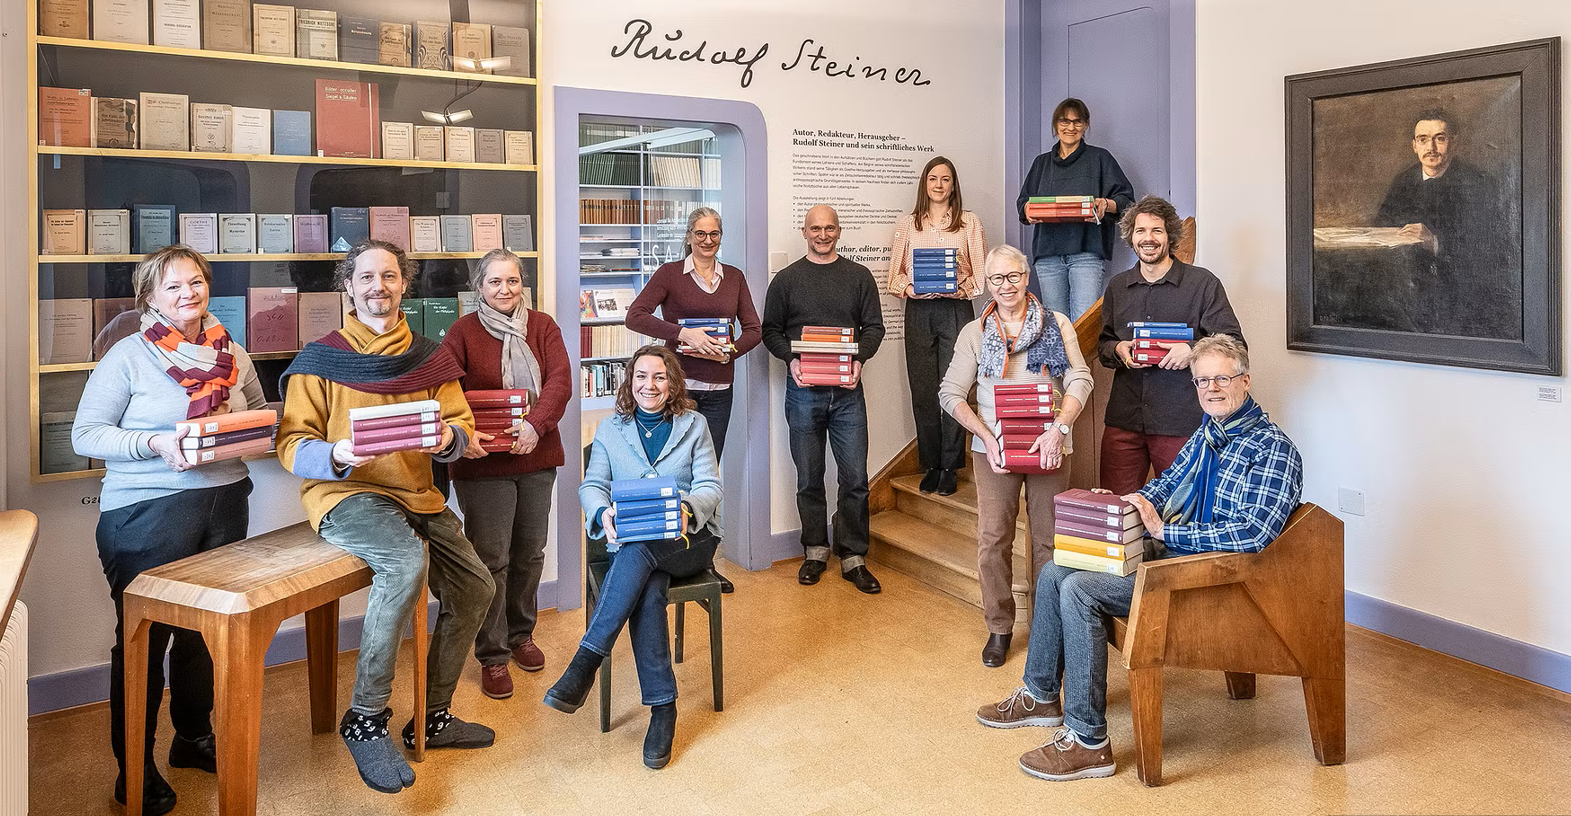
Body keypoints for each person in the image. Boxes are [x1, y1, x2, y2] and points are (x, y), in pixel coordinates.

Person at [975, 334, 1303, 782]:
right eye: (1202, 380)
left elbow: (1252, 534)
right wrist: (1126, 503)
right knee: (1056, 569)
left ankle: (1088, 741)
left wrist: (1167, 531)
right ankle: (1041, 695)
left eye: (1222, 379)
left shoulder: (1273, 449)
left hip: (1214, 582)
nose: (1211, 389)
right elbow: (1165, 487)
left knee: (1080, 589)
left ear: (1244, 381)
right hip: (1173, 559)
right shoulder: (1209, 433)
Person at [276, 240, 496, 794]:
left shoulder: (428, 356)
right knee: (402, 564)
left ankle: (433, 716)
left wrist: (448, 438)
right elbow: (291, 442)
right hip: (346, 493)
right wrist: (336, 453)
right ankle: (365, 717)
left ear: (404, 284)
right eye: (367, 277)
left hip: (416, 492)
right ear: (348, 287)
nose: (380, 286)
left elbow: (461, 424)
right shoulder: (320, 358)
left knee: (476, 587)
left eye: (391, 276)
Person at [71, 245, 265, 816]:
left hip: (225, 503)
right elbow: (86, 434)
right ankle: (134, 769)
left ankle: (193, 737)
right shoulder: (129, 355)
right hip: (145, 513)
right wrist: (154, 442)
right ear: (150, 297)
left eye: (196, 282)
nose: (188, 293)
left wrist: (254, 429)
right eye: (174, 285)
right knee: (145, 639)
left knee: (204, 632)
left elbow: (259, 412)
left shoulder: (233, 352)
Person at [542, 345, 722, 771]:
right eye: (641, 376)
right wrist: (602, 512)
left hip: (688, 540)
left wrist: (687, 508)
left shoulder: (694, 424)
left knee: (640, 552)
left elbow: (710, 485)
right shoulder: (611, 428)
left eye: (659, 377)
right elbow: (593, 485)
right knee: (648, 586)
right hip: (636, 544)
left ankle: (587, 660)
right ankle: (663, 709)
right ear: (630, 380)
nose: (649, 385)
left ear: (672, 383)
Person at [938, 245, 1093, 668]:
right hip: (995, 450)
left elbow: (1080, 378)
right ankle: (999, 626)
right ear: (987, 284)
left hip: (1050, 445)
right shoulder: (974, 332)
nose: (1006, 286)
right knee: (993, 540)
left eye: (1013, 276)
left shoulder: (1057, 324)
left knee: (1048, 542)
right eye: (996, 279)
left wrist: (1059, 429)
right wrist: (986, 438)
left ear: (1026, 277)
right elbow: (950, 393)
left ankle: (1047, 626)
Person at [442, 248, 571, 700]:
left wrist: (536, 424)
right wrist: (463, 433)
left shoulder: (543, 326)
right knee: (490, 559)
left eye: (512, 280)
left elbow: (560, 381)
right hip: (482, 464)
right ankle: (493, 654)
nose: (504, 289)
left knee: (530, 553)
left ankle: (521, 635)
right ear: (479, 286)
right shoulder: (461, 332)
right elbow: (445, 391)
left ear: (522, 284)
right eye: (494, 281)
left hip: (536, 455)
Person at [625, 206, 763, 592]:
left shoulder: (734, 277)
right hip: (678, 394)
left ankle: (704, 561)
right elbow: (635, 316)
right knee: (670, 473)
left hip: (719, 394)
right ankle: (663, 558)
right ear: (689, 236)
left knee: (706, 478)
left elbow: (754, 329)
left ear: (721, 237)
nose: (707, 241)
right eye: (700, 234)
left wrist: (729, 352)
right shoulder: (670, 274)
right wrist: (682, 334)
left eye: (714, 234)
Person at [761, 205, 886, 594]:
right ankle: (814, 550)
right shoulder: (786, 280)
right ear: (804, 231)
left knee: (855, 478)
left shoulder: (859, 277)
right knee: (809, 477)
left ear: (839, 231)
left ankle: (853, 557)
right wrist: (791, 360)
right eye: (815, 228)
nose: (822, 234)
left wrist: (860, 360)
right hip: (803, 391)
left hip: (848, 393)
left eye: (829, 228)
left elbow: (874, 328)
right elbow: (770, 331)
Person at [1097, 195, 1244, 496]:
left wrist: (1192, 350)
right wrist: (1118, 350)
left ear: (1170, 236)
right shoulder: (1117, 287)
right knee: (1116, 509)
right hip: (1124, 422)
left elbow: (1234, 344)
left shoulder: (1202, 284)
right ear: (1131, 236)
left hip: (1181, 423)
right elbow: (1104, 346)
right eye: (1140, 231)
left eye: (1157, 231)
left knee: (1181, 509)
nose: (1148, 238)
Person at [885, 156, 987, 497]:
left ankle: (950, 466)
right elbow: (894, 277)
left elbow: (980, 276)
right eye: (933, 179)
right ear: (924, 184)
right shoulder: (908, 224)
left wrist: (960, 288)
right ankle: (930, 463)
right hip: (919, 311)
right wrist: (910, 288)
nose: (939, 185)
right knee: (924, 389)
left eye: (945, 179)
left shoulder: (969, 222)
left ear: (953, 185)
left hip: (956, 309)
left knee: (955, 386)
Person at [1374, 108, 1513, 336]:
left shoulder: (1479, 183)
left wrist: (1435, 242)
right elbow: (1382, 224)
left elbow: (1492, 247)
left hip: (1462, 296)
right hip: (1407, 290)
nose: (1431, 147)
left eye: (1439, 138)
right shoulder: (1403, 181)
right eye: (1423, 139)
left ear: (1453, 142)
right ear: (1414, 145)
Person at [1016, 98, 1136, 321]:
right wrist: (1027, 208)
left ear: (1086, 125)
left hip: (1087, 252)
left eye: (1077, 121)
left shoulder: (1100, 158)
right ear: (1055, 124)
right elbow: (1023, 203)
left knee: (1084, 322)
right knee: (1055, 323)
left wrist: (1106, 204)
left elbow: (1127, 200)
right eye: (1064, 121)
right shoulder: (1041, 163)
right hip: (1048, 254)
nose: (1071, 127)